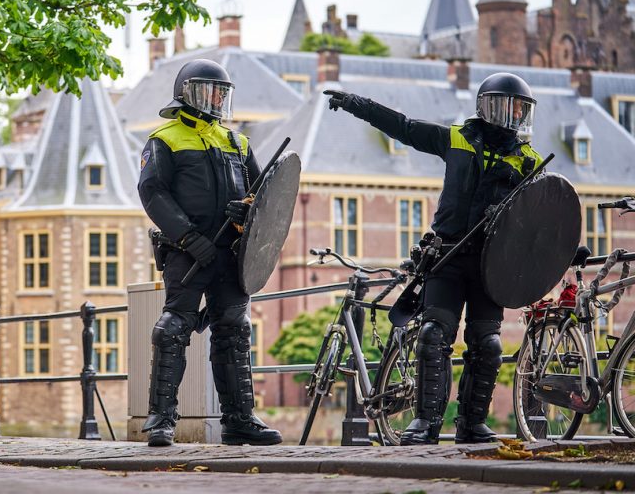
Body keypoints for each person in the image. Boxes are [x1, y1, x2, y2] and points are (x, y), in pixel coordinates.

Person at [325, 72, 543, 445]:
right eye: (503, 106)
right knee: (432, 335)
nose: (511, 115)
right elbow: (404, 127)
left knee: (487, 344)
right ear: (485, 107)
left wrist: (569, 249)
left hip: (492, 266)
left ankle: (472, 424)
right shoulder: (456, 139)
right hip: (447, 257)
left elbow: (542, 222)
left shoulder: (530, 161)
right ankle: (425, 422)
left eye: (518, 109)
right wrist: (356, 104)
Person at [137, 58, 283, 447]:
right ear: (187, 93)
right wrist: (187, 237)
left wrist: (246, 211)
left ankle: (239, 419)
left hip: (232, 252)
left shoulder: (239, 142)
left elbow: (263, 197)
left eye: (222, 92)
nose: (217, 97)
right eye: (210, 90)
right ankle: (161, 420)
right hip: (186, 252)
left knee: (234, 332)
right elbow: (153, 193)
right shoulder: (164, 139)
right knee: (172, 329)